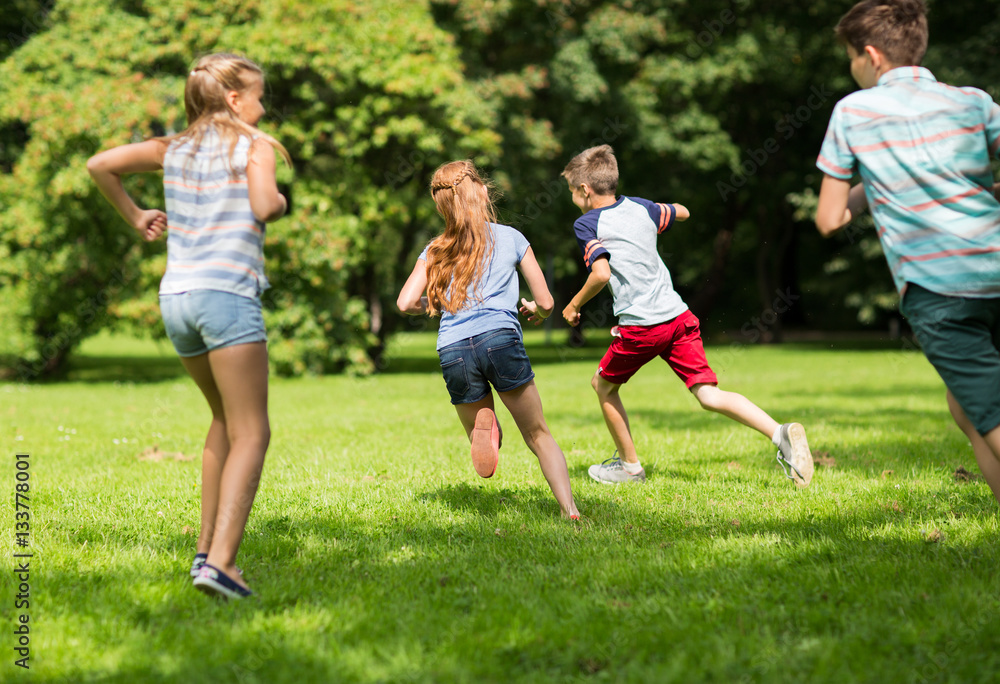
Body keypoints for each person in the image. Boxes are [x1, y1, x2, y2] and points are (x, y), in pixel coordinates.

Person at [87, 53, 290, 598]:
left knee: (224, 421)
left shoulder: (171, 148)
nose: (262, 106)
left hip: (177, 299)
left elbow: (99, 164)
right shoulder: (254, 146)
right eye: (257, 96)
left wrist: (135, 216)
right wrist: (279, 197)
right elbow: (264, 206)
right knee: (254, 431)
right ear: (233, 100)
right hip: (226, 297)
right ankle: (221, 564)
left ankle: (206, 552)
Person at [815, 0, 1000, 504]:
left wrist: (873, 185)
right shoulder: (974, 101)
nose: (852, 68)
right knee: (966, 409)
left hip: (941, 288)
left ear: (871, 56)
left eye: (851, 57)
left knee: (992, 415)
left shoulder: (853, 112)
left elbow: (829, 219)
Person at [561, 145, 814, 487]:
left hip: (643, 326)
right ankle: (779, 433)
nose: (573, 198)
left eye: (572, 192)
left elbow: (601, 274)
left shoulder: (586, 223)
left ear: (584, 190)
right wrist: (654, 215)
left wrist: (574, 305)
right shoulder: (641, 207)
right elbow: (683, 212)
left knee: (603, 386)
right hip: (679, 318)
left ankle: (630, 468)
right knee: (709, 395)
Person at [397, 160, 580, 519]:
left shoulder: (436, 248)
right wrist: (537, 313)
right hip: (499, 338)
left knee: (481, 433)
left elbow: (405, 302)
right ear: (481, 192)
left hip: (453, 348)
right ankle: (569, 509)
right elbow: (545, 302)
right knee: (538, 434)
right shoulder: (510, 237)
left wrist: (434, 302)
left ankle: (488, 430)